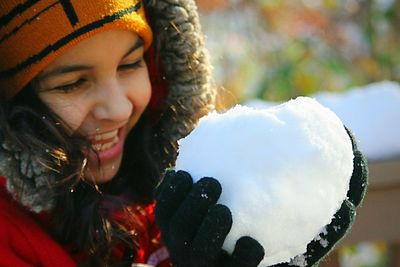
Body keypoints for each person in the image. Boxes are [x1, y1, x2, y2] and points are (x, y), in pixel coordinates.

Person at [0, 0, 367, 266]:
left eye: (130, 64)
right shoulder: (10, 238)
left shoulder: (173, 183)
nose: (119, 109)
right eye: (73, 83)